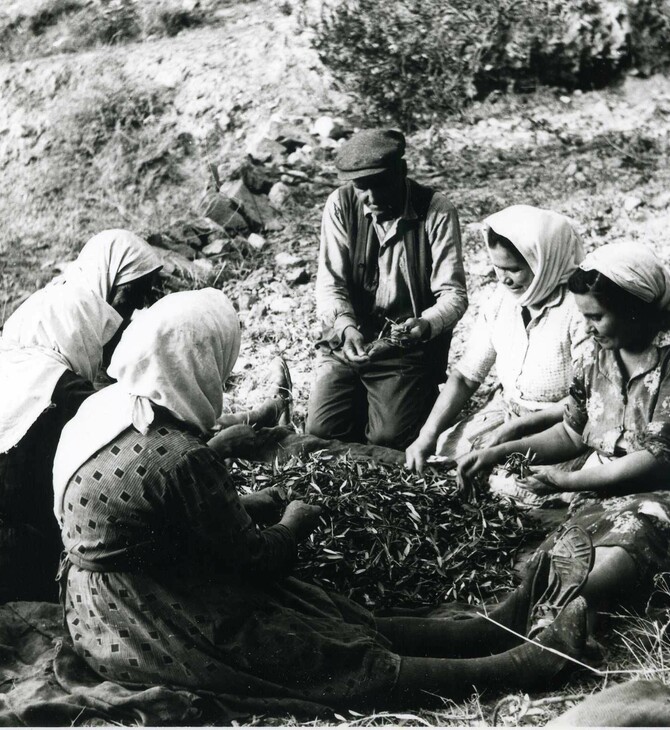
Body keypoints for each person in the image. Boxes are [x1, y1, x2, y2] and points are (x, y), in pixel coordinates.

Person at [53, 288, 588, 715]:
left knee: (312, 605)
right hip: (145, 616)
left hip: (102, 596)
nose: (224, 376)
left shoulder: (106, 409)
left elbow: (159, 515)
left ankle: (483, 630)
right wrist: (294, 519)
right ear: (193, 361)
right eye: (221, 364)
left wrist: (253, 500)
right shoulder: (177, 455)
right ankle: (517, 666)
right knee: (313, 648)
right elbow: (258, 560)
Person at [458, 242, 670, 614]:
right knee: (568, 547)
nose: (588, 328)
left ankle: (559, 612)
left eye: (597, 317)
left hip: (659, 494)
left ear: (634, 310)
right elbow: (571, 433)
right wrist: (502, 451)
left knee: (631, 537)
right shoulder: (593, 355)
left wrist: (563, 481)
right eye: (584, 316)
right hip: (603, 489)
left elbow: (655, 460)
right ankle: (530, 612)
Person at [0, 229, 162, 601]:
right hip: (20, 546)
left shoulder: (43, 315)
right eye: (133, 295)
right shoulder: (58, 384)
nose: (136, 309)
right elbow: (132, 431)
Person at [306, 129, 467, 450]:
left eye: (381, 185)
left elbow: (454, 295)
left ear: (402, 172)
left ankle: (409, 398)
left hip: (405, 351)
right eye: (361, 188)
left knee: (388, 439)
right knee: (321, 431)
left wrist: (425, 324)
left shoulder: (435, 210)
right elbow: (330, 284)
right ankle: (371, 399)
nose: (372, 198)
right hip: (349, 345)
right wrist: (345, 327)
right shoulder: (340, 205)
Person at [406, 205, 587, 474]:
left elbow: (587, 396)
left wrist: (517, 428)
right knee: (445, 455)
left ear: (545, 262)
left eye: (514, 269)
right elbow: (466, 376)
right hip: (509, 410)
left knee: (517, 484)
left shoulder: (579, 310)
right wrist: (427, 434)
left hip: (560, 425)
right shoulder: (501, 301)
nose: (505, 280)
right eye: (497, 267)